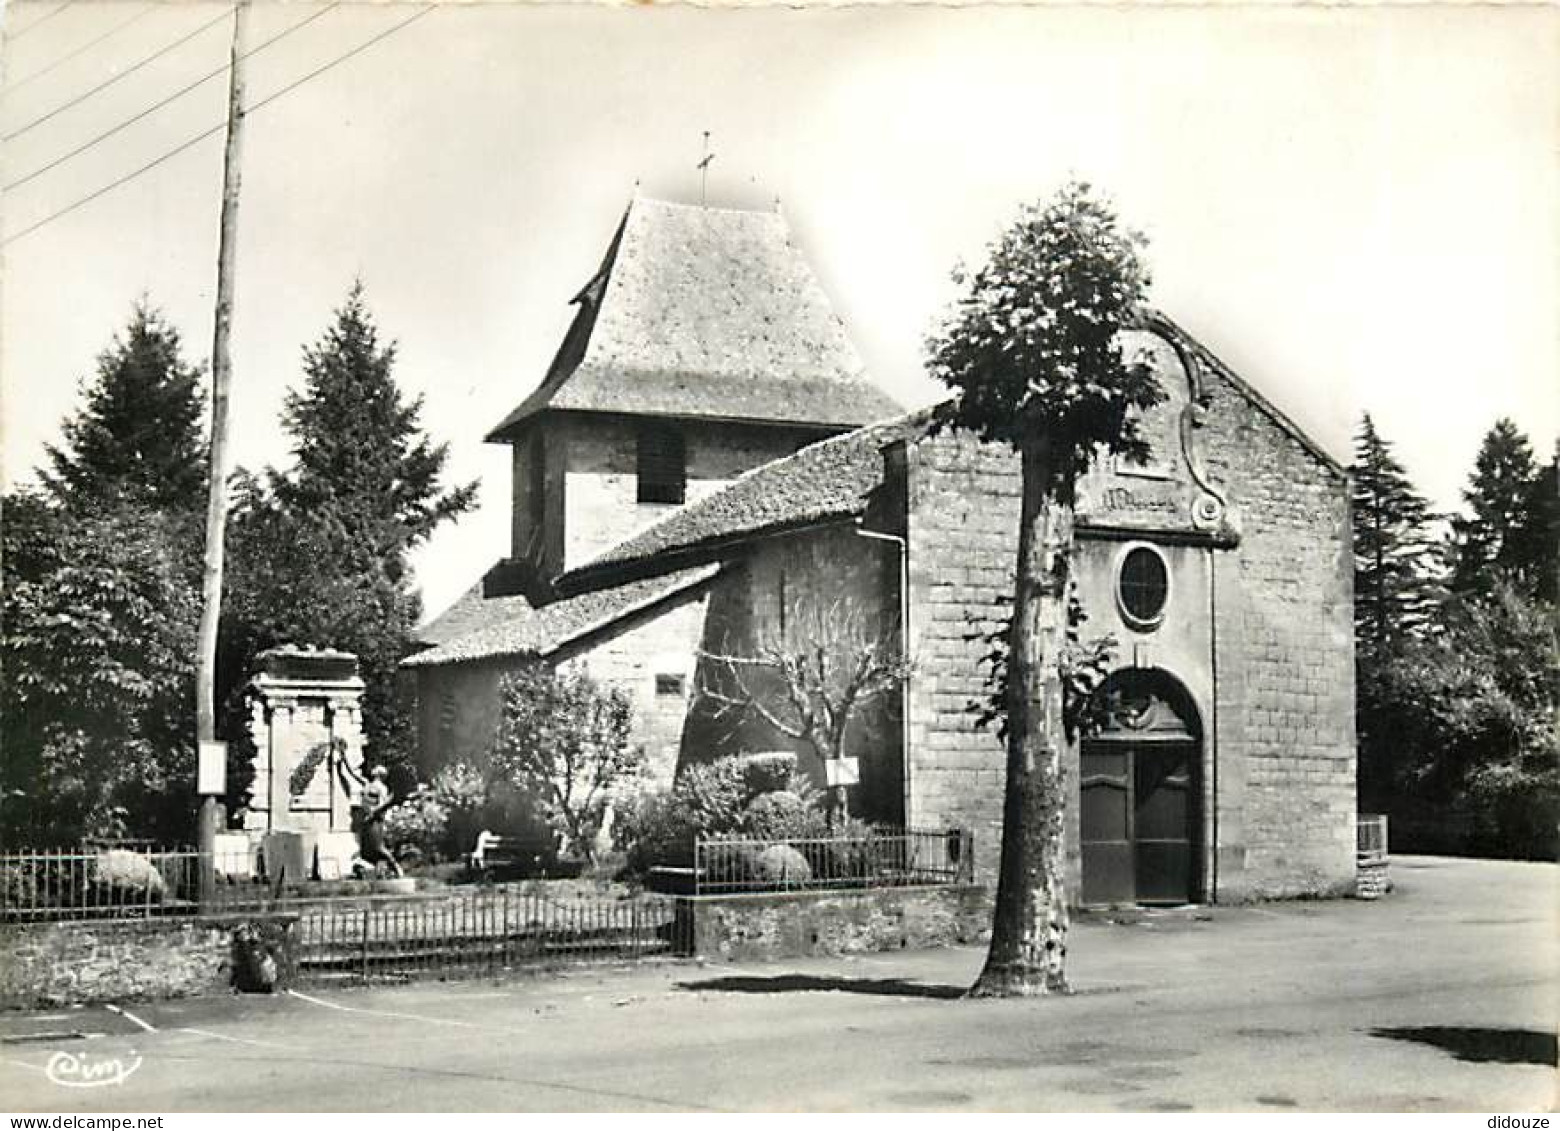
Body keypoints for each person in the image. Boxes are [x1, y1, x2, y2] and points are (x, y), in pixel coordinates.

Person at [356, 765, 402, 878]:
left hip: (375, 820)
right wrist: (343, 761)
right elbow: (354, 776)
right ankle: (380, 873)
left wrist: (372, 813)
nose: (373, 770)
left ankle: (396, 867)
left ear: (379, 774)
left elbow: (382, 805)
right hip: (366, 820)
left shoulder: (382, 788)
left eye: (376, 770)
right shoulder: (368, 784)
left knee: (378, 847)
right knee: (366, 850)